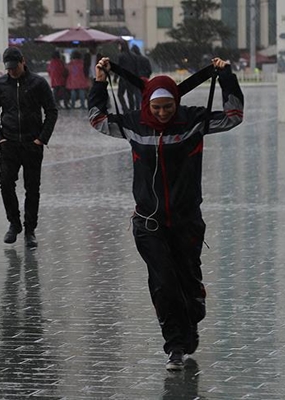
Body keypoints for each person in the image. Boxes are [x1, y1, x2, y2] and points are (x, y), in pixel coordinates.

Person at [88, 57, 244, 371]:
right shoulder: (132, 123)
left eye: (168, 107)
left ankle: (193, 312)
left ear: (176, 103)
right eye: (157, 108)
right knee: (162, 282)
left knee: (186, 282)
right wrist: (100, 81)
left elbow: (233, 115)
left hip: (186, 221)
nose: (162, 113)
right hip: (148, 222)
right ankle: (174, 346)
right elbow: (97, 118)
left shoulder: (193, 121)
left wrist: (227, 76)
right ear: (148, 104)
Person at [0, 47, 58, 248]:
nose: (12, 71)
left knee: (32, 188)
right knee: (6, 183)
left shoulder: (38, 83)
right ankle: (14, 223)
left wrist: (41, 139)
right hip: (8, 144)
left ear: (23, 61)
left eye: (15, 67)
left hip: (32, 144)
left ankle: (30, 230)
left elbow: (52, 111)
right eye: (8, 68)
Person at [115, 40, 138, 112]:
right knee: (130, 95)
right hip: (131, 77)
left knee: (120, 94)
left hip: (123, 77)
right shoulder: (134, 56)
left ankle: (125, 108)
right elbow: (136, 68)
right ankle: (132, 109)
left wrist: (115, 78)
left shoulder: (121, 56)